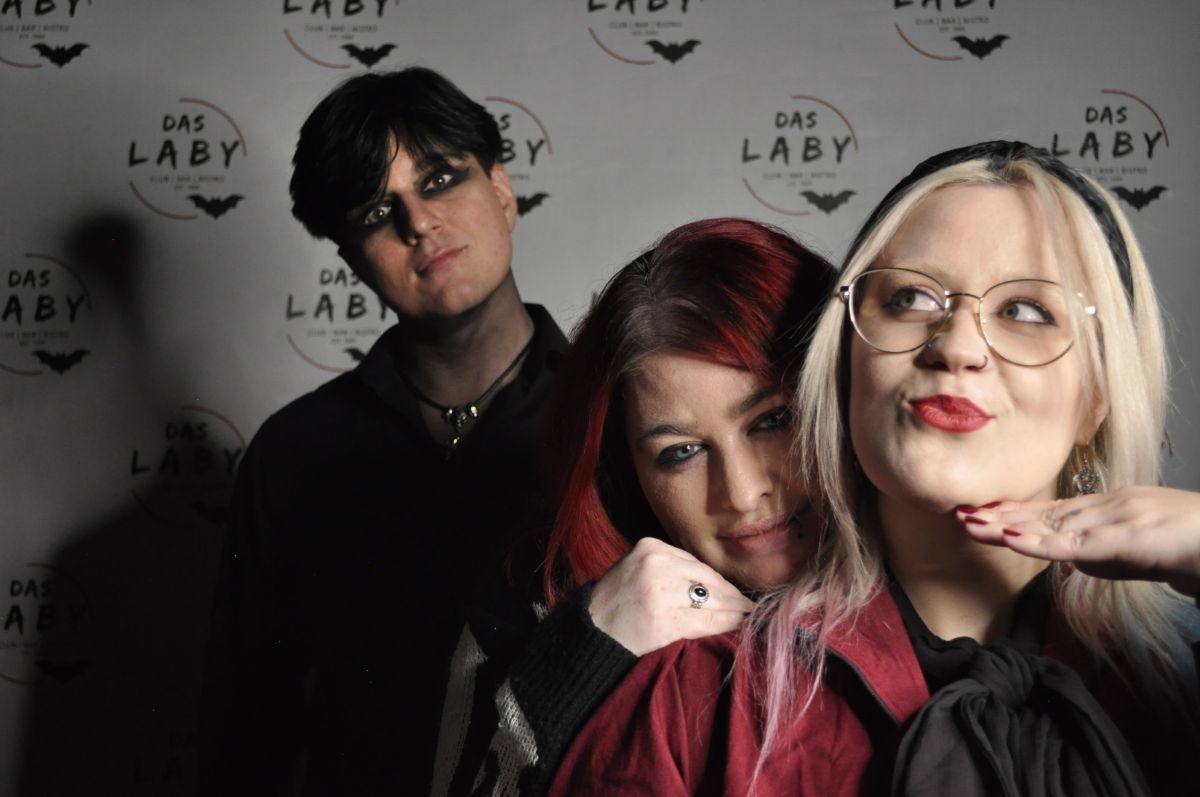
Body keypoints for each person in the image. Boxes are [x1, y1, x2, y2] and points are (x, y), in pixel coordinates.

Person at [551, 141, 1200, 796]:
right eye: (912, 297)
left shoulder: (1176, 677)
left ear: (1098, 399)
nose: (957, 345)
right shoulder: (692, 701)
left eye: (1025, 311)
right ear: (843, 362)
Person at [197, 67, 570, 796]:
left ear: (501, 189)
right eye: (375, 211)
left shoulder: (617, 418)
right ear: (351, 259)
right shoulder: (294, 452)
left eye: (439, 180)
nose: (418, 223)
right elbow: (246, 726)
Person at [431, 218, 836, 795]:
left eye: (774, 420)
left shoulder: (935, 568)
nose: (743, 493)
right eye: (683, 452)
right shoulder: (534, 603)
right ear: (626, 468)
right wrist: (580, 656)